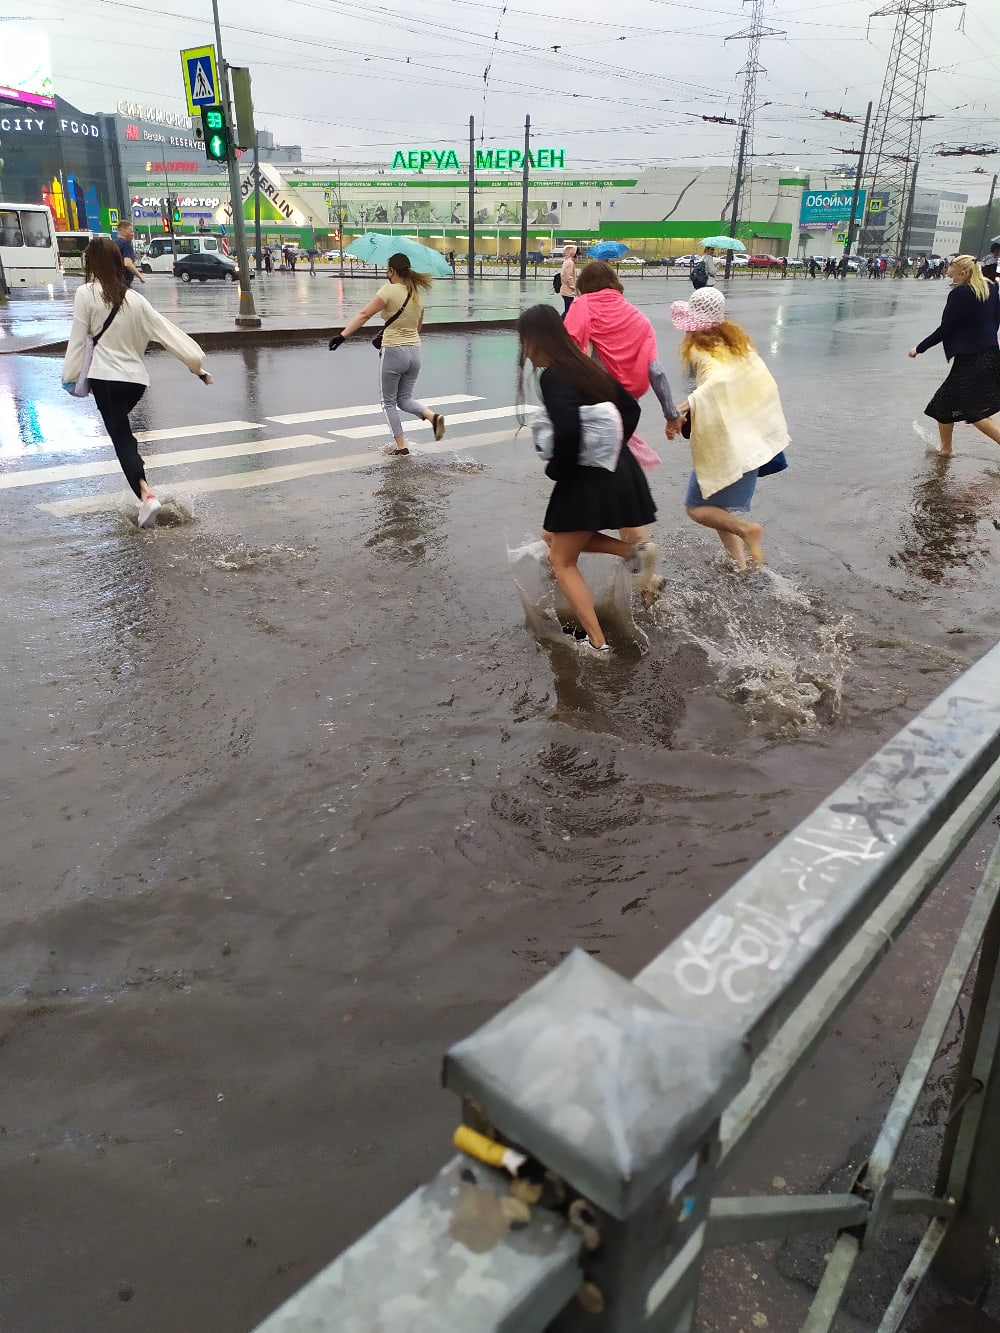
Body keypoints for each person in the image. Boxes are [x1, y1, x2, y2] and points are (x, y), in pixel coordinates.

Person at [517, 304, 657, 655]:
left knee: (562, 561)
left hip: (588, 478)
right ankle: (632, 551)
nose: (525, 351)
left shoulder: (553, 375)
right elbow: (631, 409)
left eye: (525, 341)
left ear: (535, 340)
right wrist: (612, 446)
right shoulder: (584, 365)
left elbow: (568, 429)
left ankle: (597, 644)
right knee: (551, 536)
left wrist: (559, 469)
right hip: (619, 468)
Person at [61, 238, 212, 526]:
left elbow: (78, 340)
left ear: (91, 264)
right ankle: (144, 492)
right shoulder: (136, 299)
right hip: (136, 383)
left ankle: (146, 496)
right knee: (123, 433)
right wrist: (197, 367)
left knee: (121, 438)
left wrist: (69, 377)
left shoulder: (85, 293)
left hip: (106, 379)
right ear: (119, 263)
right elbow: (168, 333)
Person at [564, 259, 681, 570]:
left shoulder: (583, 307)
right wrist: (671, 415)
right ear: (615, 283)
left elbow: (566, 354)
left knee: (574, 504)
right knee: (620, 496)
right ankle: (645, 564)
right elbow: (655, 370)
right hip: (627, 415)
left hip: (595, 414)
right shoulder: (639, 318)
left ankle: (557, 560)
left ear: (584, 287)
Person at [670, 287, 789, 570]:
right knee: (717, 508)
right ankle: (741, 564)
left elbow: (715, 384)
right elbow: (761, 382)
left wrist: (681, 410)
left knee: (696, 508)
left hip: (727, 442)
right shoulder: (738, 345)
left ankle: (747, 530)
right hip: (747, 435)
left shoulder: (700, 350)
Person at [328, 251, 446, 456]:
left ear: (392, 270)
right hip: (415, 352)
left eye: (387, 269)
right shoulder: (417, 295)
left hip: (394, 351)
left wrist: (343, 335)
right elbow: (418, 327)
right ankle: (433, 417)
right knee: (404, 399)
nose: (386, 272)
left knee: (388, 402)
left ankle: (401, 447)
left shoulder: (389, 290)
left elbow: (365, 314)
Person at [908, 254, 1000, 457]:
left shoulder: (961, 294)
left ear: (962, 272)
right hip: (988, 355)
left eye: (951, 265)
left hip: (974, 359)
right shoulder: (991, 287)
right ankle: (946, 450)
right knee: (943, 405)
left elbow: (946, 329)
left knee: (973, 412)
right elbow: (996, 320)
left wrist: (919, 348)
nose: (947, 267)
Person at [113, 220, 145, 288]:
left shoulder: (112, 243)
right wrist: (140, 276)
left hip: (113, 282)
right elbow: (127, 263)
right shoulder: (126, 244)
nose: (132, 234)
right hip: (123, 283)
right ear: (123, 232)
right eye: (131, 231)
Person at [558, 244, 578, 317]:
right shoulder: (570, 263)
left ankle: (560, 323)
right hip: (568, 290)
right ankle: (560, 324)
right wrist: (573, 286)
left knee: (568, 309)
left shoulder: (566, 261)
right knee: (568, 311)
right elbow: (569, 276)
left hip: (564, 289)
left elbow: (563, 274)